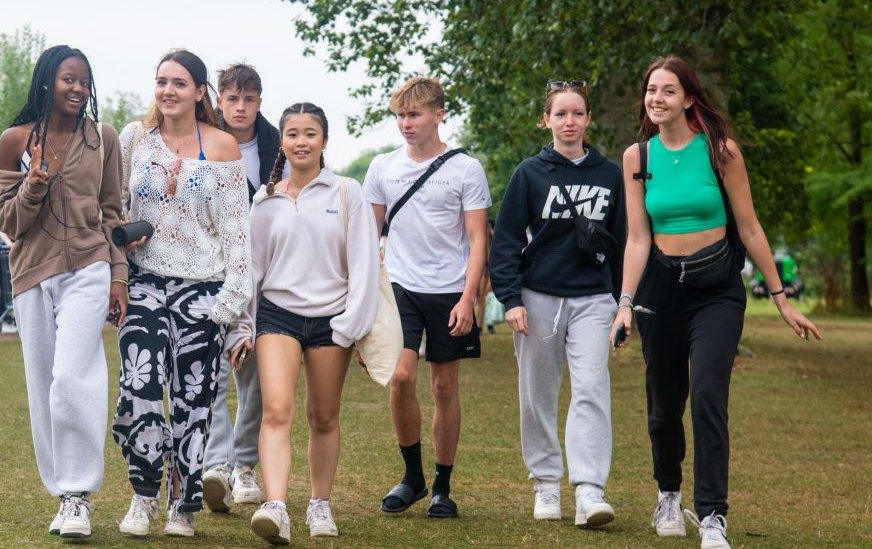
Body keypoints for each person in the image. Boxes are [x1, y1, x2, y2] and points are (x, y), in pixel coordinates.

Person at [609, 56, 821, 549]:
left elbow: (748, 227)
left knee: (706, 396)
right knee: (663, 408)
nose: (656, 99)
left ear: (688, 98)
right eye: (650, 91)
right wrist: (624, 304)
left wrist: (782, 299)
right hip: (660, 288)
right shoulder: (636, 158)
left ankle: (711, 517)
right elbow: (638, 238)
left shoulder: (720, 151)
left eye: (667, 90)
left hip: (717, 291)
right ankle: (667, 494)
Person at [0, 44, 128, 540]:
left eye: (85, 82)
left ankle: (77, 496)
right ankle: (62, 490)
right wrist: (34, 183)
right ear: (48, 81)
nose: (78, 89)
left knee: (73, 376)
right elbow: (6, 220)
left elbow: (112, 213)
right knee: (43, 384)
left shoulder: (102, 139)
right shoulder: (15, 140)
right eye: (70, 79)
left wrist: (118, 277)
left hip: (89, 267)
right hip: (32, 273)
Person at [111, 49, 250, 539]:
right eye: (161, 81)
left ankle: (182, 506)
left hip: (203, 291)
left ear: (198, 92)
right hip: (145, 282)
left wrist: (230, 310)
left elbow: (237, 237)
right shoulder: (133, 139)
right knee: (139, 387)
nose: (168, 90)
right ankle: (143, 494)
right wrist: (124, 236)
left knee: (194, 402)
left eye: (179, 83)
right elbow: (113, 207)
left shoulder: (223, 147)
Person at [225, 102, 378, 544]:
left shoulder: (347, 192)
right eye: (292, 133)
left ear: (324, 141)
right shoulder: (265, 200)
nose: (301, 141)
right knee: (276, 410)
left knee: (324, 416)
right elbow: (252, 272)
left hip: (332, 322)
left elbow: (364, 267)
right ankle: (276, 507)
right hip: (277, 316)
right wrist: (242, 326)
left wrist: (351, 326)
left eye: (310, 133)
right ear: (283, 142)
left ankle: (319, 504)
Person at [490, 80, 625, 527]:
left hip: (592, 299)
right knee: (538, 396)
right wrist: (510, 298)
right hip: (538, 297)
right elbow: (506, 241)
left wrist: (624, 300)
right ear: (546, 120)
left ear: (588, 119)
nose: (570, 122)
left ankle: (589, 490)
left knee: (591, 390)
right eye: (561, 114)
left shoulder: (610, 174)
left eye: (578, 113)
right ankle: (545, 483)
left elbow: (625, 240)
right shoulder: (529, 173)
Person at [365, 77, 491, 519]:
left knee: (443, 385)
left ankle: (442, 486)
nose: (405, 123)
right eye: (399, 115)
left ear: (439, 114)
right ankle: (411, 477)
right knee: (400, 377)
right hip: (398, 285)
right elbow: (368, 237)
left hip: (449, 291)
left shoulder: (465, 168)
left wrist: (467, 298)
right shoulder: (382, 166)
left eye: (414, 114)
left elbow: (478, 240)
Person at [202, 62, 281, 513]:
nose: (240, 107)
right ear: (219, 99)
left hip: (263, 276)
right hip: (210, 269)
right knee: (210, 370)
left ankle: (245, 465)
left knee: (252, 373)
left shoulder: (277, 145)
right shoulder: (201, 140)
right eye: (232, 99)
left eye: (248, 99)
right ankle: (215, 463)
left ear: (259, 102)